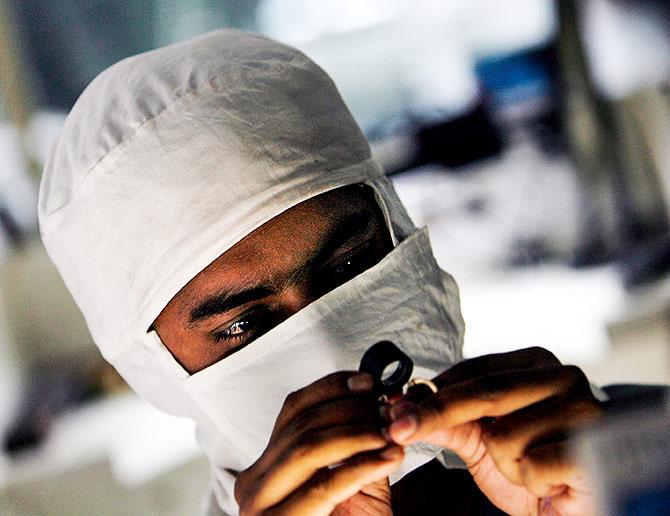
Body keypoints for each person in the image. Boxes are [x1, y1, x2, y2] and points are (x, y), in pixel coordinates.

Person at [39, 29, 614, 515]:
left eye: (351, 264)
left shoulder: (613, 457)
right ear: (154, 369)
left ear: (397, 224)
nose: (333, 346)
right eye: (243, 325)